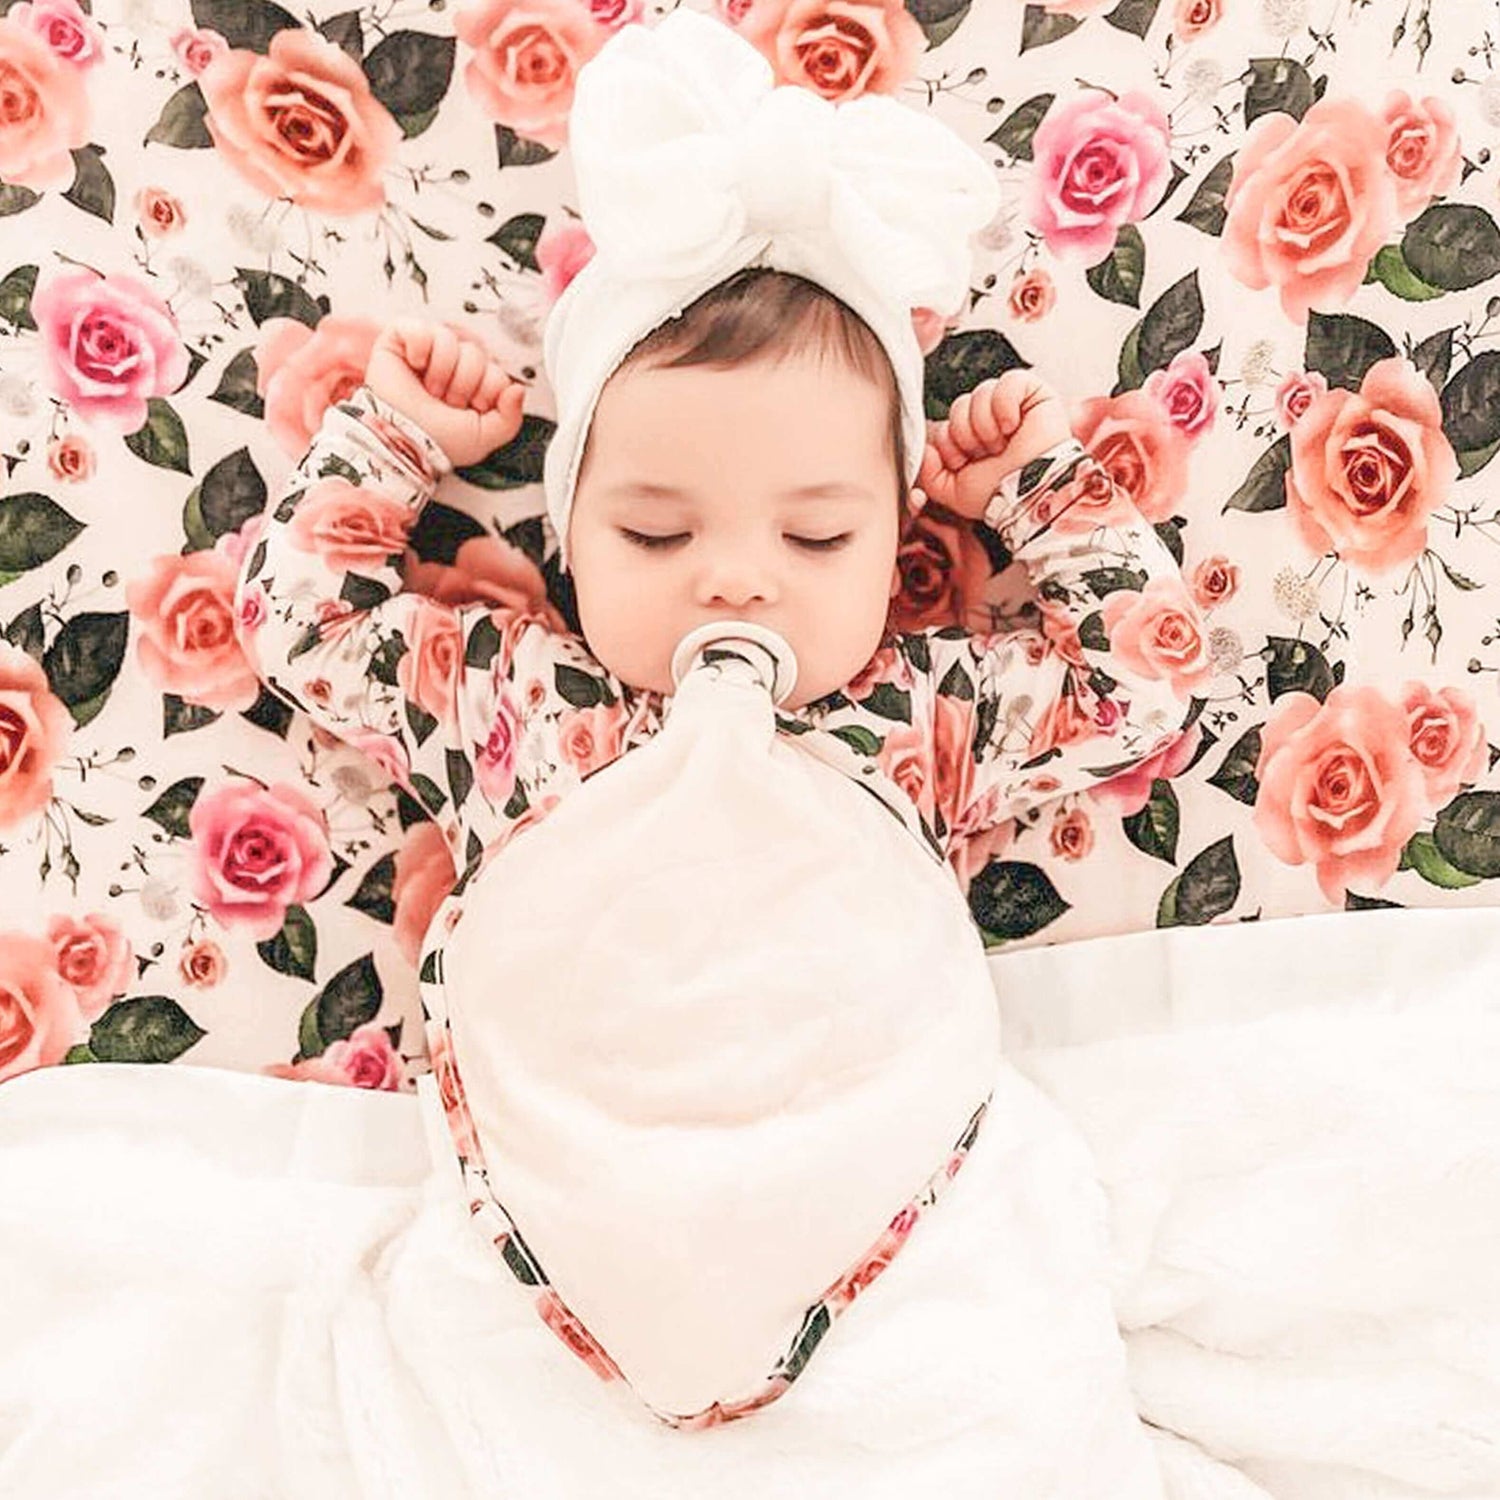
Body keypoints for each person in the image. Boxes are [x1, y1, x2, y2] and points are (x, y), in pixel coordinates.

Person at [233, 7, 1206, 1436]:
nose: (736, 574)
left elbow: (1143, 680)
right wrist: (391, 442)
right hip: (566, 1197)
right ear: (567, 538)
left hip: (860, 1199)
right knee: (463, 1405)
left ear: (896, 546)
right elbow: (300, 620)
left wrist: (1040, 498)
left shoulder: (916, 713)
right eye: (654, 529)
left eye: (817, 540)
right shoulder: (521, 696)